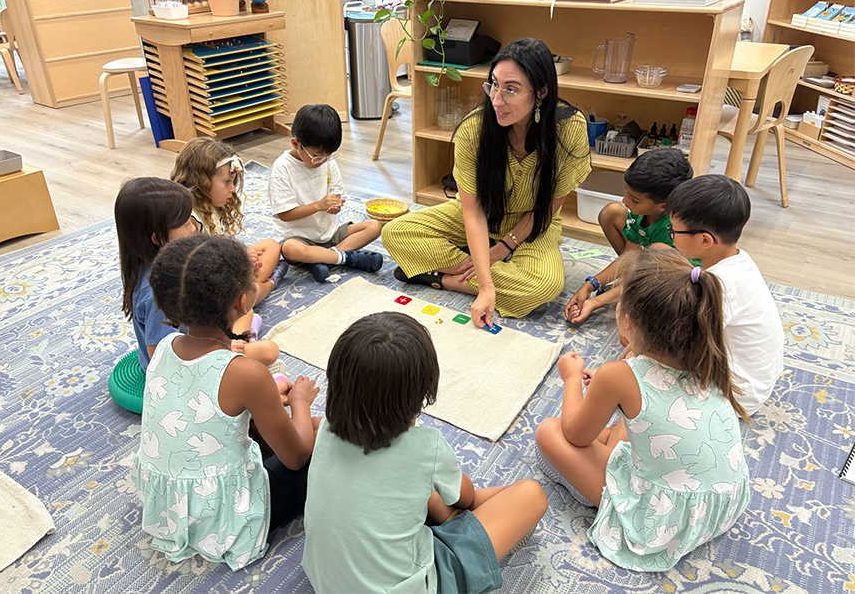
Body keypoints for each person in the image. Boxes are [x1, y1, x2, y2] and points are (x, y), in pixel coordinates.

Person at [536, 249, 750, 572]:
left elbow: (573, 435)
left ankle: (607, 501)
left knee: (548, 433)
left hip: (660, 522)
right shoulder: (707, 353)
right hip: (722, 503)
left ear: (627, 318)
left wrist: (571, 379)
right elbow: (652, 398)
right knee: (627, 423)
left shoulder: (619, 375)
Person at [303, 312, 548, 594]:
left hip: (324, 582)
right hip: (412, 586)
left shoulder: (324, 430)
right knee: (531, 493)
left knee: (426, 495)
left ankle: (449, 520)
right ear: (421, 394)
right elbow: (466, 498)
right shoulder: (427, 448)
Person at [133, 234, 321, 571]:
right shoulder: (246, 373)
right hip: (226, 516)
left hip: (170, 507)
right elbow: (296, 457)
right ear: (242, 300)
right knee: (321, 432)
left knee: (262, 427)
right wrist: (300, 401)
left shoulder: (164, 346)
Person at [382, 38, 591, 327]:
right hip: (482, 216)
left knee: (544, 286)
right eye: (493, 84)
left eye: (511, 90)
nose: (496, 99)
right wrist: (487, 285)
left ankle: (443, 279)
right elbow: (473, 212)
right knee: (396, 232)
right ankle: (478, 268)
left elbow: (549, 208)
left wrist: (502, 248)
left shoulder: (570, 129)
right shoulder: (474, 129)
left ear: (540, 92)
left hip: (533, 223)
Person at [667, 175, 784, 416]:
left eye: (673, 231)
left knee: (647, 363)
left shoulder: (720, 285)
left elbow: (681, 343)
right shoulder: (739, 260)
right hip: (756, 378)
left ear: (705, 240)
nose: (671, 236)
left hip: (736, 396)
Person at [171, 136, 285, 339]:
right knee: (245, 304)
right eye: (227, 182)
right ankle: (267, 287)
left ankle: (255, 289)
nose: (233, 189)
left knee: (271, 246)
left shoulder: (210, 206)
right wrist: (236, 265)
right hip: (204, 289)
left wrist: (241, 256)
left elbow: (217, 246)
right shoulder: (189, 223)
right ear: (202, 181)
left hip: (220, 273)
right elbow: (192, 272)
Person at [565, 148, 694, 324]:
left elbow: (655, 274)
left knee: (657, 253)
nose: (625, 201)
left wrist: (594, 302)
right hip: (651, 262)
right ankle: (629, 280)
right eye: (626, 192)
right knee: (610, 212)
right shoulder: (640, 212)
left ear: (663, 206)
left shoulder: (676, 230)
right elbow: (629, 254)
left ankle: (629, 286)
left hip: (676, 282)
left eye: (634, 199)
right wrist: (591, 284)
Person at [267, 104, 384, 282]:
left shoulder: (327, 162)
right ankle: (345, 258)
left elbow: (335, 195)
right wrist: (318, 206)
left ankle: (324, 258)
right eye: (317, 155)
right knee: (290, 249)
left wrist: (334, 207)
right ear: (295, 143)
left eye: (328, 155)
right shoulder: (282, 168)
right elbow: (284, 214)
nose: (322, 161)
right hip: (301, 238)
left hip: (331, 233)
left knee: (374, 226)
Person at [115, 177, 198, 372]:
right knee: (263, 352)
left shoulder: (165, 264)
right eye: (186, 224)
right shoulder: (158, 293)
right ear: (158, 238)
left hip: (191, 344)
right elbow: (161, 358)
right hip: (176, 370)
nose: (193, 228)